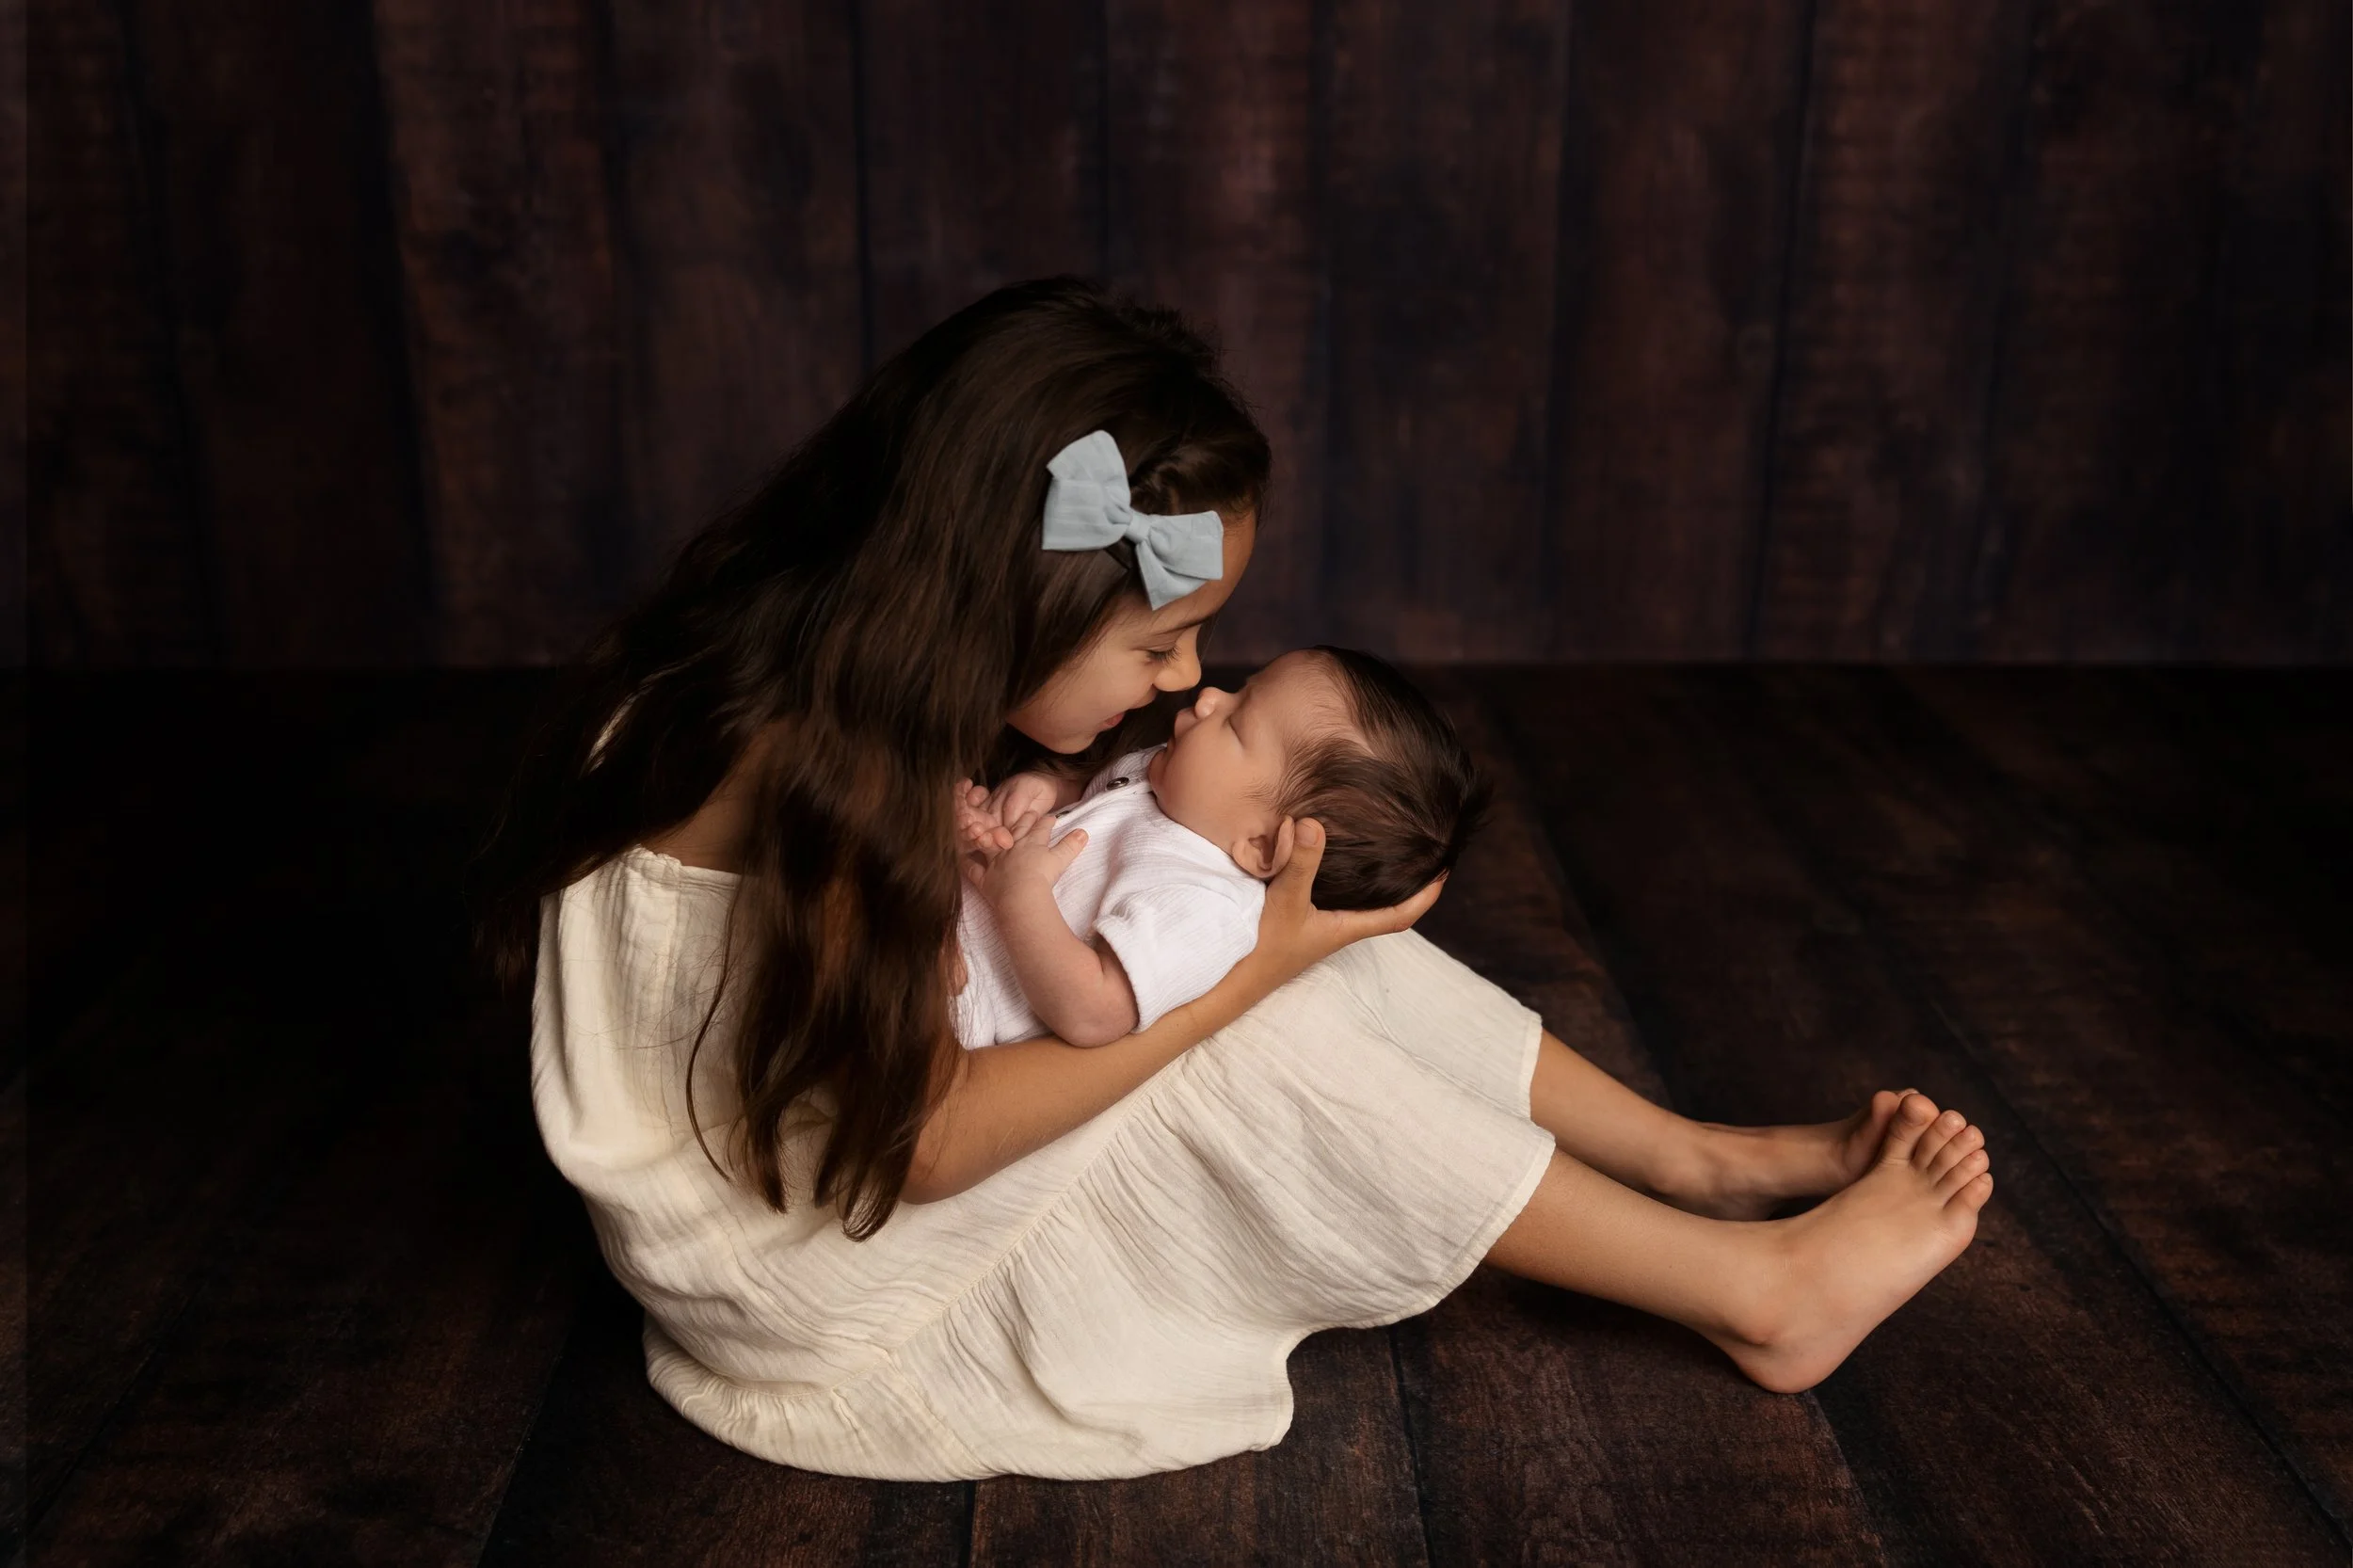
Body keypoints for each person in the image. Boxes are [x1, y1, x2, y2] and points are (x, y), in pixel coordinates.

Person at [481, 277, 1993, 1482]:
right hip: (799, 1255)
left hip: (827, 1129)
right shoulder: (821, 768)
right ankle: (1754, 1293)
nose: (1183, 678)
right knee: (1244, 1001)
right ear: (1012, 594)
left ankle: (1692, 1159)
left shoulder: (823, 666)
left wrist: (1240, 927)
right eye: (1159, 641)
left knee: (1248, 900)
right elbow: (923, 1150)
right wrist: (1248, 977)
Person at [949, 642, 1487, 1050]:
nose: (1209, 698)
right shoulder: (1167, 781)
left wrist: (1021, 895)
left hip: (960, 1005)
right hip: (941, 912)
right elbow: (1093, 800)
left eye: (1234, 724)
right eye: (1239, 689)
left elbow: (1094, 1013)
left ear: (1260, 844)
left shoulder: (1204, 903)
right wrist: (1042, 791)